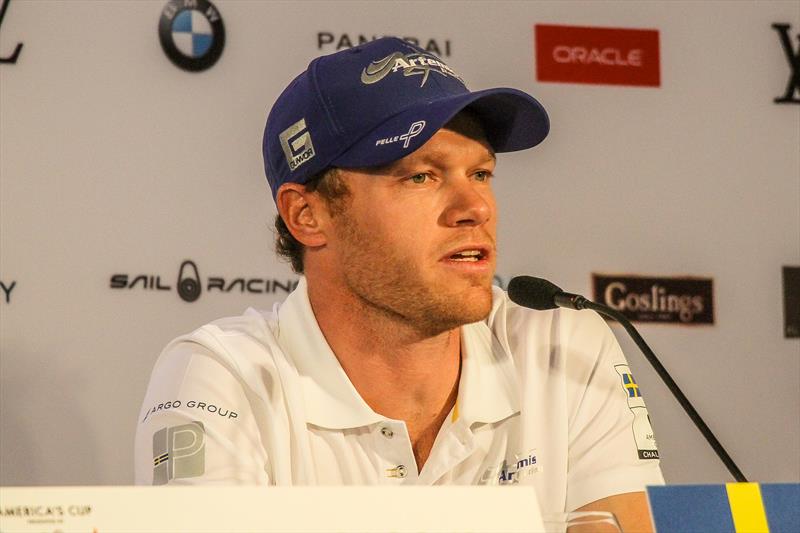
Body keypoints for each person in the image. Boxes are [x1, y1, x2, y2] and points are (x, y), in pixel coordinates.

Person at [135, 37, 663, 530]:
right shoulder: (222, 377)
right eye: (422, 177)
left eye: (480, 174)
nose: (475, 208)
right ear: (307, 215)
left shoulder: (563, 348)